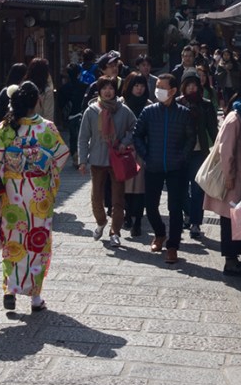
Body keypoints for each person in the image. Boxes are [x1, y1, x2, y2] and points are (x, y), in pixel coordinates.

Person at [0, 81, 72, 312]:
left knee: (13, 240)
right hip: (38, 193)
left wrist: (6, 177)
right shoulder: (47, 128)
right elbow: (61, 156)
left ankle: (10, 289)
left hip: (12, 192)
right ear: (37, 100)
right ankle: (35, 297)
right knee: (37, 240)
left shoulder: (5, 128)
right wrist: (44, 168)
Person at [133, 73, 195, 264]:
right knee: (150, 205)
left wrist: (183, 157)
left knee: (175, 207)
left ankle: (173, 246)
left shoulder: (184, 113)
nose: (157, 90)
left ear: (173, 91)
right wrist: (146, 155)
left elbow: (190, 139)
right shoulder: (149, 112)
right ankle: (159, 233)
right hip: (153, 165)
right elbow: (137, 135)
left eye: (162, 87)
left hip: (177, 168)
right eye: (157, 86)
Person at [77, 78, 136, 248]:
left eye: (111, 88)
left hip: (117, 158)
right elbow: (83, 137)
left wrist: (125, 141)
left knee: (118, 198)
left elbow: (135, 127)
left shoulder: (123, 110)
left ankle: (115, 232)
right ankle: (101, 221)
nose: (108, 91)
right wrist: (82, 160)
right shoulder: (92, 111)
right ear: (99, 91)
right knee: (96, 196)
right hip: (97, 159)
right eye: (104, 88)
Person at [204, 88, 241, 276]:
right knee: (229, 219)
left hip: (237, 175)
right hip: (233, 177)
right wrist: (229, 177)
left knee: (235, 217)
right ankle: (231, 261)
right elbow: (226, 152)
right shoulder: (235, 119)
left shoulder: (240, 116)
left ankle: (234, 259)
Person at [180, 73, 218, 239]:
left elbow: (212, 128)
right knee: (180, 188)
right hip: (181, 151)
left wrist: (217, 148)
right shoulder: (178, 103)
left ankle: (195, 221)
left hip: (199, 151)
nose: (191, 88)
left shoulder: (206, 105)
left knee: (197, 189)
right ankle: (188, 212)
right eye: (188, 85)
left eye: (194, 85)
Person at [119, 72, 151, 237]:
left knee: (139, 188)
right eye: (136, 86)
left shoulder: (149, 105)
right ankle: (127, 215)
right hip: (123, 151)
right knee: (125, 186)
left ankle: (137, 220)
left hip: (142, 151)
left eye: (142, 86)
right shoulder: (121, 105)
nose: (139, 89)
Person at [57, 63, 87, 163]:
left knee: (73, 137)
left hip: (70, 115)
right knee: (82, 136)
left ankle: (75, 155)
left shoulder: (63, 88)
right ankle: (80, 156)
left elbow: (60, 103)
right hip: (82, 114)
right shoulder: (84, 86)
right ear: (79, 73)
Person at [26, 57, 56, 122]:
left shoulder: (23, 88)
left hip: (22, 127)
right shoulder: (46, 91)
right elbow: (48, 115)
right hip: (39, 127)